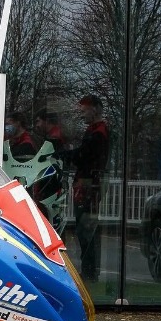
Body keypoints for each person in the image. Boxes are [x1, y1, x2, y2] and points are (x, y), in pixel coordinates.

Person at [59, 94, 110, 281]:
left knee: (86, 227)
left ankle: (89, 270)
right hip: (87, 181)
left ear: (94, 109)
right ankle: (89, 269)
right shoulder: (95, 131)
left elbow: (86, 156)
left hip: (89, 183)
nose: (82, 114)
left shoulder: (98, 132)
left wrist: (67, 155)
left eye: (84, 110)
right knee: (85, 227)